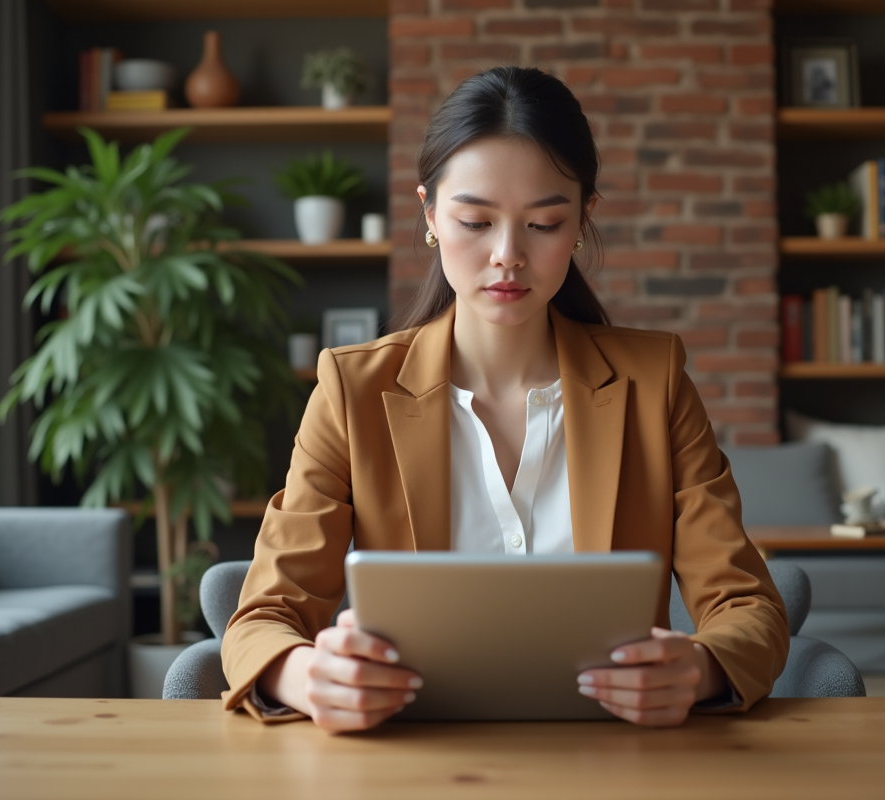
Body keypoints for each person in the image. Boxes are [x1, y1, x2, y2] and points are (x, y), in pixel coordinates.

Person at [221, 66, 789, 733]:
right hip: (412, 759)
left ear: (582, 219)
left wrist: (701, 669)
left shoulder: (653, 383)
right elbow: (263, 617)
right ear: (430, 214)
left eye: (544, 224)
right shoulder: (354, 391)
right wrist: (306, 676)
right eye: (475, 221)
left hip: (619, 759)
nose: (508, 256)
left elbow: (749, 607)